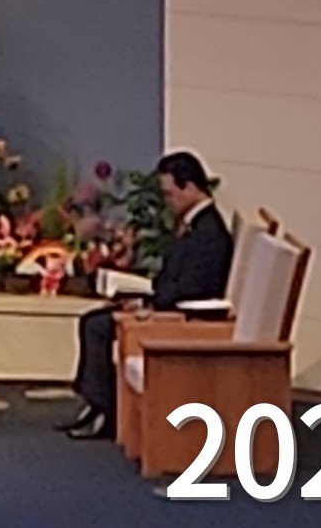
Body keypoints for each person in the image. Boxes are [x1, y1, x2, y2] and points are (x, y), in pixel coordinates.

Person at [65, 152, 234, 440]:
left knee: (97, 325)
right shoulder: (196, 225)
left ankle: (104, 410)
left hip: (185, 318)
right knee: (93, 319)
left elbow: (194, 288)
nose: (167, 202)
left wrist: (148, 304)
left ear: (189, 187)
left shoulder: (208, 234)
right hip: (172, 305)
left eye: (169, 194)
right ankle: (97, 404)